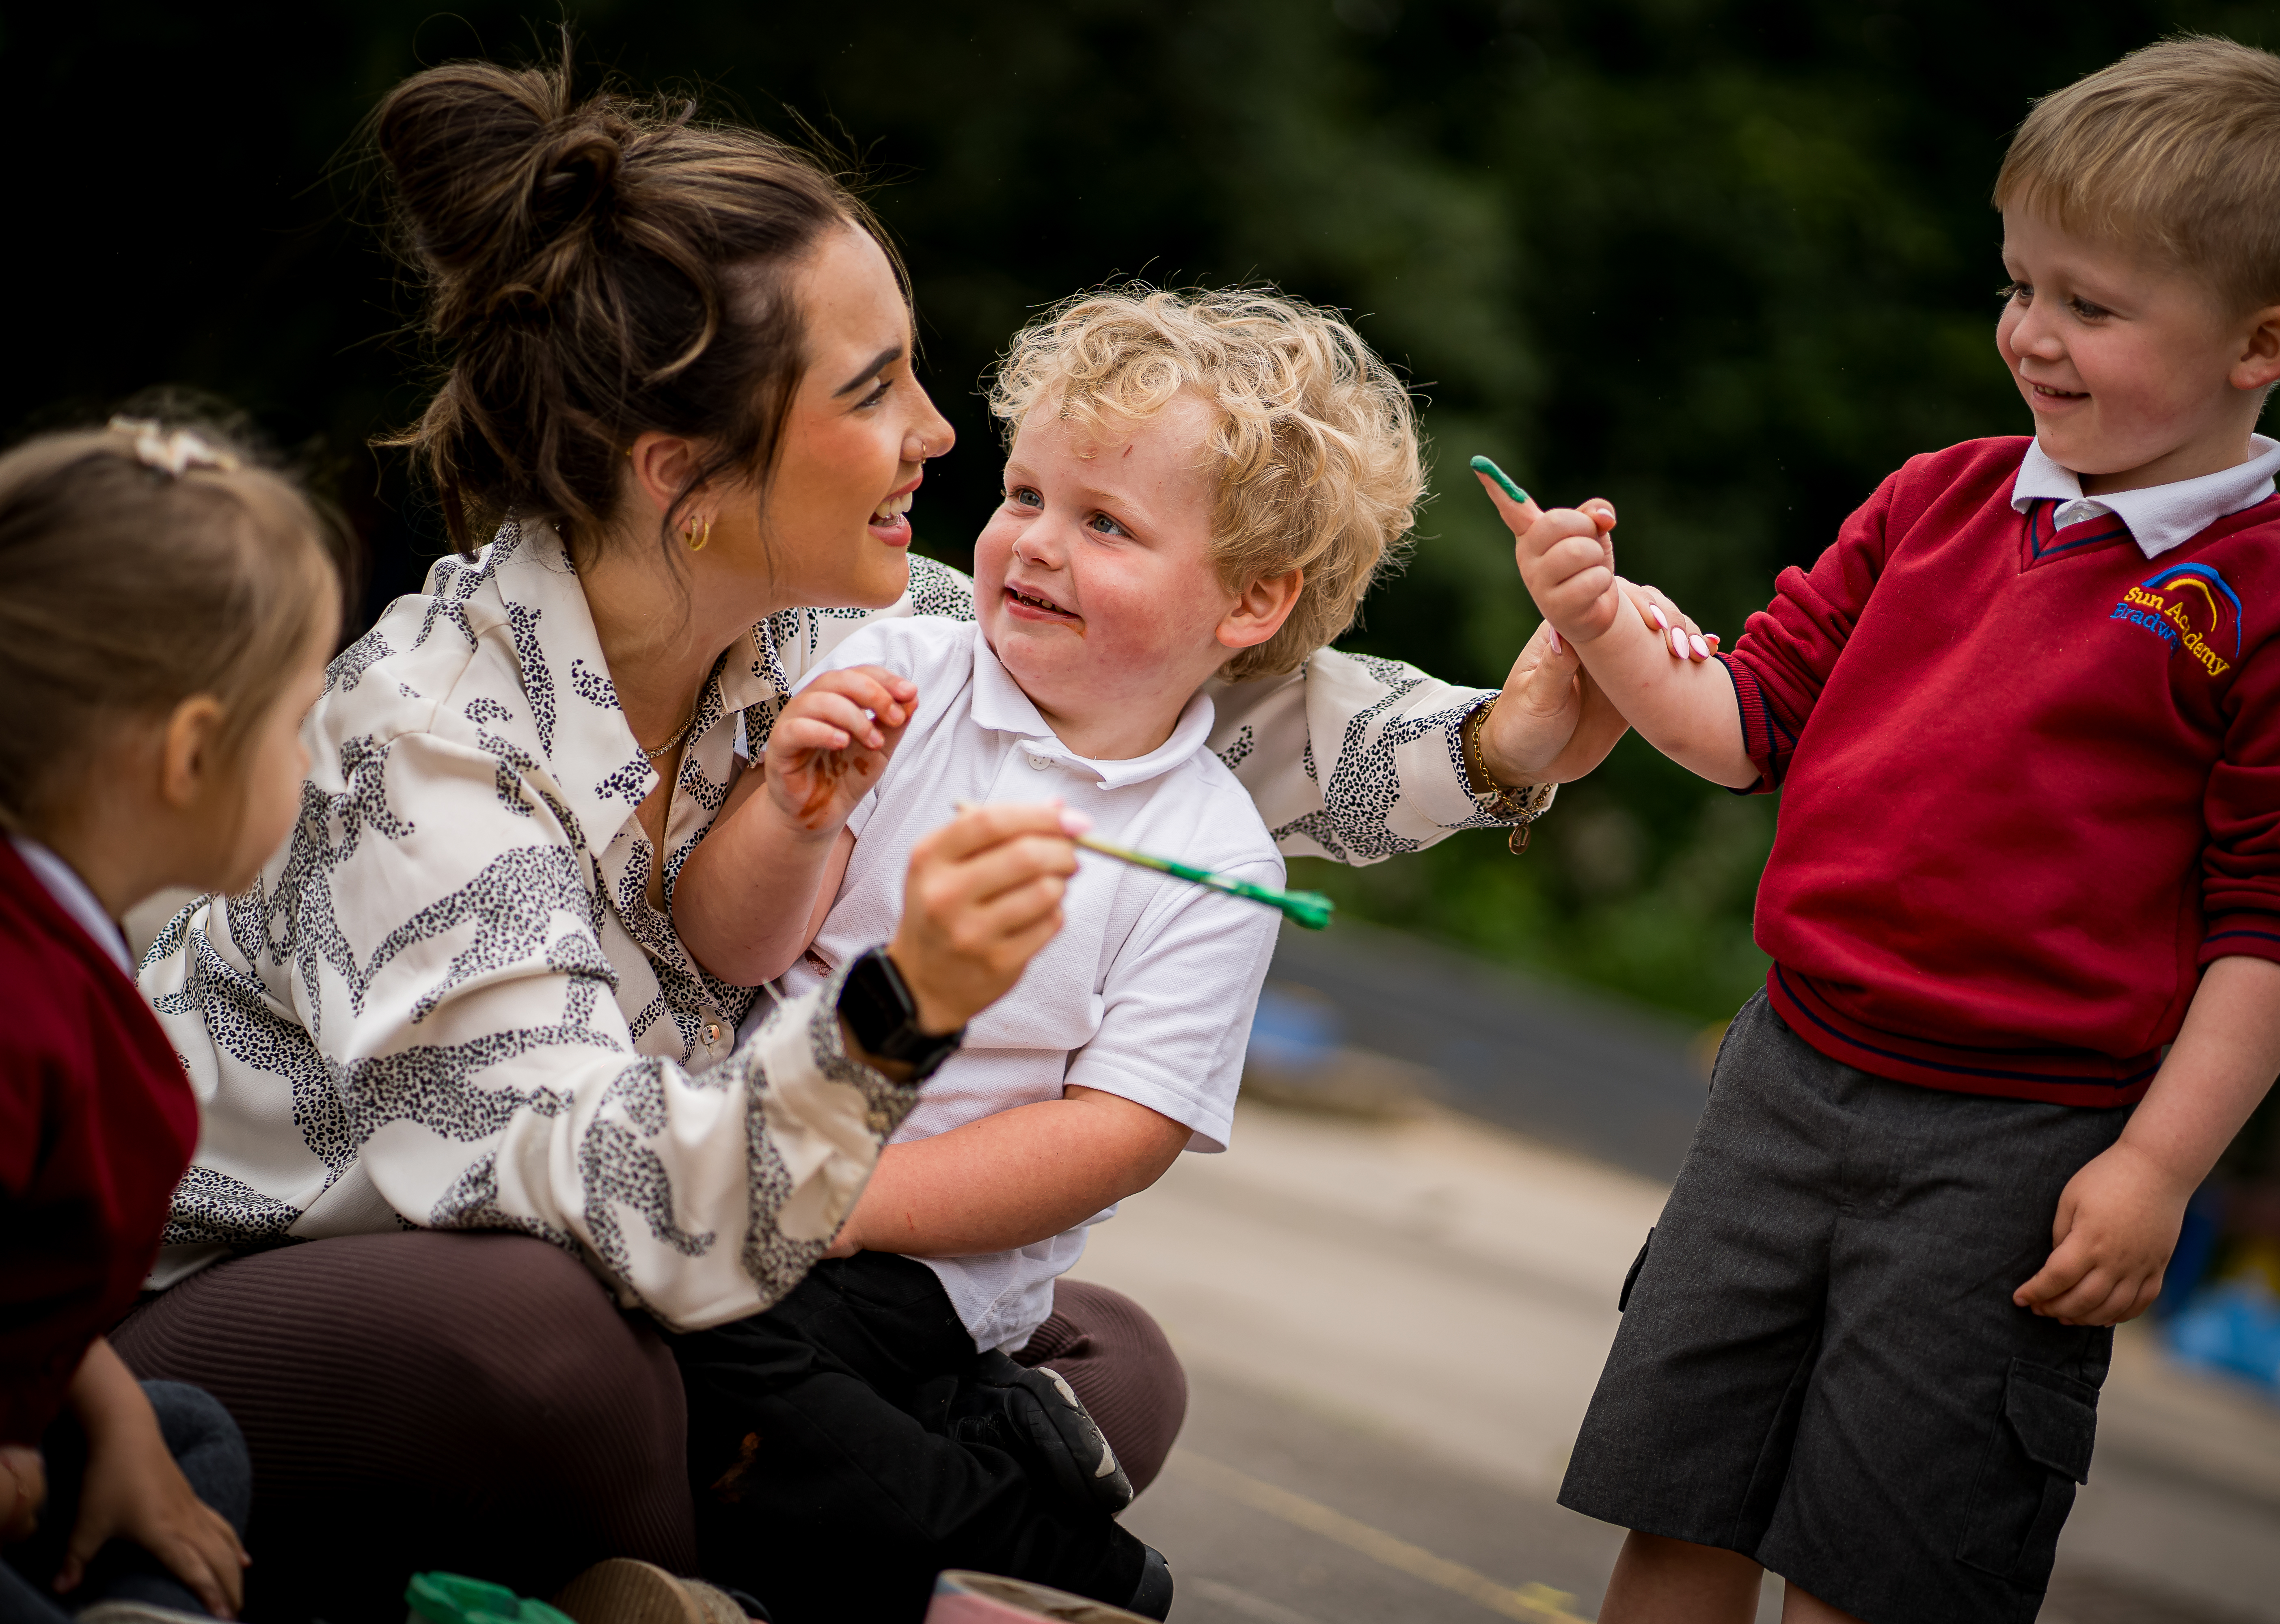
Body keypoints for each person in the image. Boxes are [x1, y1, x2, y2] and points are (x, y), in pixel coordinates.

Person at [120, 43, 1639, 1624]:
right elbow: (603, 1210)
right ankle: (866, 1586)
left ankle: (715, 1563)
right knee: (572, 1347)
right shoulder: (434, 746)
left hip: (717, 1255)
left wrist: (1493, 742)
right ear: (686, 472)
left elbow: (1189, 701)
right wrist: (893, 1022)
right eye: (874, 388)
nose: (935, 432)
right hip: (283, 1309)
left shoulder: (816, 627)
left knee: (1103, 1356)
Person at [1490, 37, 2280, 1624]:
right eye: (2020, 284)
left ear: (2262, 342)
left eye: (2093, 305)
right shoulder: (1933, 498)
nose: (2032, 336)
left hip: (2021, 1149)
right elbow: (1742, 727)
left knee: (1883, 1569)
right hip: (1784, 1084)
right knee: (1677, 1508)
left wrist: (2157, 1166)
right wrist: (1598, 625)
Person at [667, 283, 1427, 1619]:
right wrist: (791, 817)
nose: (1034, 544)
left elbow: (1109, 1136)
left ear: (1251, 601)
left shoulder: (1216, 856)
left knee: (721, 1352)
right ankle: (976, 1496)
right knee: (673, 1337)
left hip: (910, 1262)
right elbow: (730, 950)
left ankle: (1069, 1571)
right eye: (1025, 495)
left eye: (1107, 524)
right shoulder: (898, 668)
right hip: (736, 1155)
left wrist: (842, 1207)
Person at [2, 417, 343, 1624]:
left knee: (179, 1430)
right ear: (195, 752)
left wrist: (88, 1413)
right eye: (298, 722)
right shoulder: (20, 1014)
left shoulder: (63, 951)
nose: (317, 765)